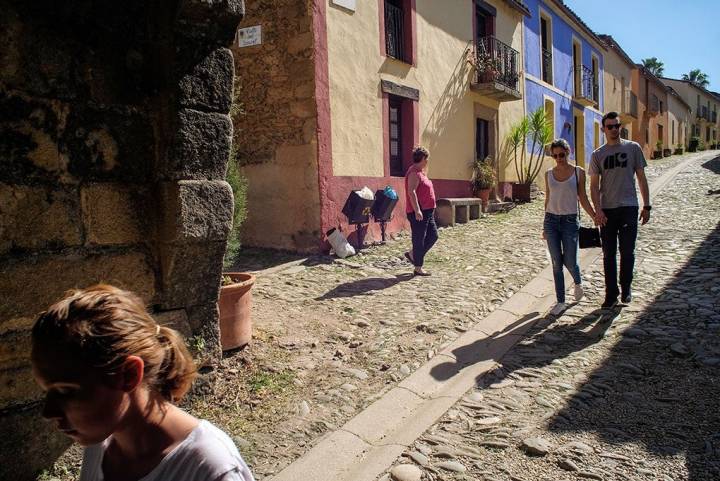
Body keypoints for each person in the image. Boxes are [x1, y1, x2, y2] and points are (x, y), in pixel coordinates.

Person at [31, 284, 255, 481]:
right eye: (47, 391)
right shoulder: (102, 442)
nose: (48, 412)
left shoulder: (210, 470)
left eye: (65, 390)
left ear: (129, 374)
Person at [589, 111, 651, 308]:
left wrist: (647, 205)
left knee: (627, 252)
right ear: (603, 129)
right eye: (610, 127)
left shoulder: (633, 148)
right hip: (607, 210)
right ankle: (611, 294)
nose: (615, 129)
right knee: (608, 254)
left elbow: (641, 178)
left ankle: (626, 289)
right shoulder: (598, 154)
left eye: (617, 126)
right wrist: (597, 211)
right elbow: (593, 186)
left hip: (628, 208)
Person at [543, 138, 596, 316]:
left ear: (568, 152)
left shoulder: (578, 173)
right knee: (556, 262)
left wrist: (594, 215)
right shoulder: (548, 174)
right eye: (555, 155)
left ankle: (578, 282)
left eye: (562, 155)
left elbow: (583, 197)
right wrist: (544, 225)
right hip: (551, 221)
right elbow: (547, 199)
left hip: (569, 222)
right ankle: (560, 301)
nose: (559, 158)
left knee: (570, 260)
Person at [404, 146, 438, 276]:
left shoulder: (420, 171)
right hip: (418, 212)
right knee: (419, 239)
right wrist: (417, 210)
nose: (427, 161)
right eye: (427, 158)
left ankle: (413, 254)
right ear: (423, 158)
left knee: (433, 236)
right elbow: (411, 192)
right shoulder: (413, 172)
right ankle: (418, 267)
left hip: (428, 211)